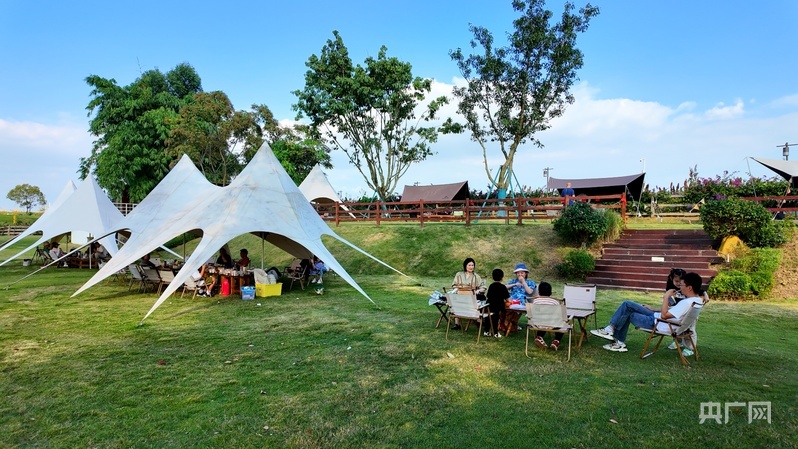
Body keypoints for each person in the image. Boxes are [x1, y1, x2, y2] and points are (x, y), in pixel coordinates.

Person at [590, 272, 706, 353]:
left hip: (658, 323)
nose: (680, 287)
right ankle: (612, 332)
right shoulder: (696, 300)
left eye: (682, 285)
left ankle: (617, 339)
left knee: (628, 312)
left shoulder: (686, 303)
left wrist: (666, 297)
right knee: (628, 304)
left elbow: (665, 316)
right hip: (657, 317)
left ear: (690, 288)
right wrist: (654, 309)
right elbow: (673, 312)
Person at [451, 257, 486, 330]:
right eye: (469, 265)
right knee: (455, 301)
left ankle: (478, 320)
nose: (471, 267)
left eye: (472, 265)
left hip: (470, 297)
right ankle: (457, 324)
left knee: (474, 304)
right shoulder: (459, 274)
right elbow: (454, 285)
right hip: (460, 295)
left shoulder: (476, 276)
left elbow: (483, 287)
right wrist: (459, 288)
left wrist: (478, 291)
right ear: (465, 266)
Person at [530, 282, 563, 350]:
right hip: (553, 325)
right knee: (562, 322)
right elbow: (559, 314)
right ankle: (556, 341)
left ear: (539, 292)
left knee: (543, 320)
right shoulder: (555, 302)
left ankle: (539, 336)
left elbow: (534, 313)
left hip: (538, 324)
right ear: (550, 293)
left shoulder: (536, 301)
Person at [485, 268, 510, 338]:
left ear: (492, 277)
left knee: (488, 318)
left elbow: (488, 295)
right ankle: (495, 332)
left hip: (489, 305)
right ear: (502, 278)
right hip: (498, 306)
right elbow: (507, 298)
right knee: (496, 319)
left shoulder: (491, 286)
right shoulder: (503, 287)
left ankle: (486, 331)